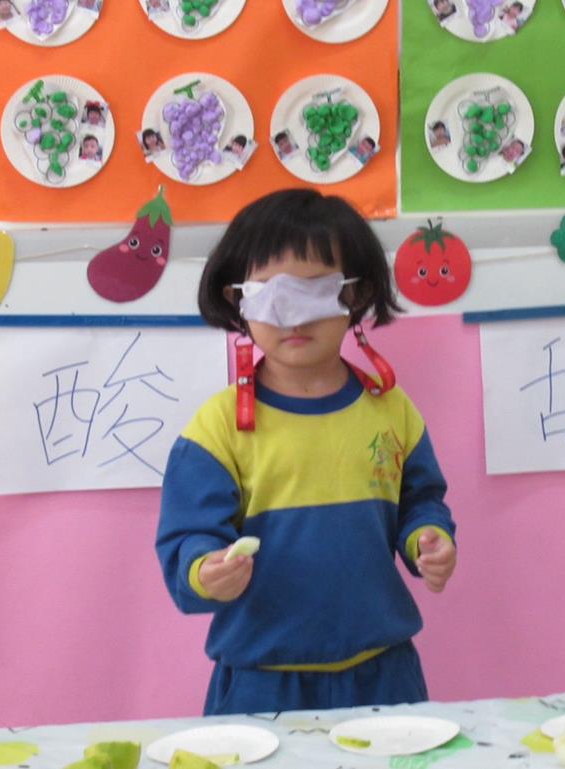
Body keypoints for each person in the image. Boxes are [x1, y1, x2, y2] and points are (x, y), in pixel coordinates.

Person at [156, 189, 458, 717]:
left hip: (384, 675)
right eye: (271, 294)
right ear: (238, 300)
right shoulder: (216, 429)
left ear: (355, 294)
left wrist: (427, 538)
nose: (292, 318)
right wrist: (204, 570)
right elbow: (187, 538)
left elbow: (421, 500)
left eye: (314, 291)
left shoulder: (392, 410)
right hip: (259, 682)